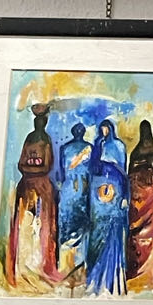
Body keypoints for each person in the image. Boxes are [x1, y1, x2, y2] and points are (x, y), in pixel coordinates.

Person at [7, 105, 58, 292]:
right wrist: (33, 168)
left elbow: (46, 166)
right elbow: (22, 164)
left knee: (40, 226)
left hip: (41, 188)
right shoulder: (30, 139)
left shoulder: (45, 141)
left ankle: (37, 266)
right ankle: (22, 267)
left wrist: (32, 168)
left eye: (41, 122)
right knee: (24, 227)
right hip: (27, 187)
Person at [85, 120, 129, 297]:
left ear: (111, 129)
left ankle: (112, 277)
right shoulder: (97, 144)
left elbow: (123, 171)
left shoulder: (118, 145)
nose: (104, 131)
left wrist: (124, 195)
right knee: (97, 229)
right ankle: (93, 276)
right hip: (98, 192)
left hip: (115, 189)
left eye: (106, 128)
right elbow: (92, 168)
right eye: (101, 128)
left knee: (114, 227)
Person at [126, 119, 153, 294]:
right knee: (144, 230)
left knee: (148, 230)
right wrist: (150, 163)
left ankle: (146, 273)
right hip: (147, 188)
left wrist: (144, 163)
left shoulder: (138, 151)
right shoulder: (152, 148)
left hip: (143, 189)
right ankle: (144, 273)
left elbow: (131, 170)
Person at [57, 121, 92, 284]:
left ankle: (70, 265)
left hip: (71, 189)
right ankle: (75, 265)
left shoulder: (65, 148)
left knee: (70, 223)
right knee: (78, 223)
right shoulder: (89, 148)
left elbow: (61, 173)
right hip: (80, 189)